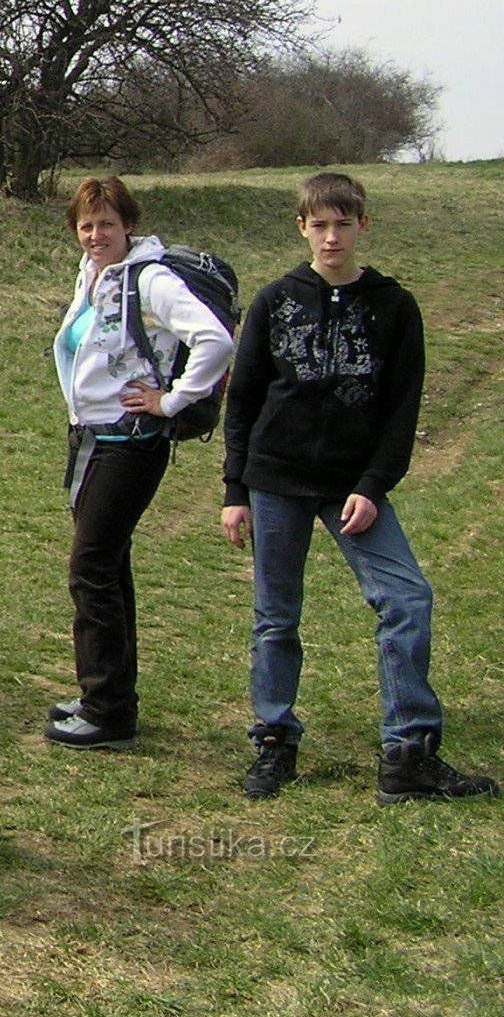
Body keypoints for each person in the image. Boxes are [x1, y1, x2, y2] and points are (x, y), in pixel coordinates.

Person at [221, 172, 497, 803]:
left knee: (405, 599)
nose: (331, 236)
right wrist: (235, 491)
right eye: (319, 225)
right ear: (302, 229)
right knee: (275, 617)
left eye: (343, 224)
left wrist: (374, 485)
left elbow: (402, 408)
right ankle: (273, 738)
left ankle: (408, 752)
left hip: (353, 487)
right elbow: (243, 401)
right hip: (275, 480)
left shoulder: (394, 307)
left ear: (362, 226)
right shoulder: (274, 300)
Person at [46, 176, 234, 749]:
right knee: (108, 567)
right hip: (94, 440)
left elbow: (216, 340)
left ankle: (108, 715)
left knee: (91, 568)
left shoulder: (149, 280)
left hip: (130, 443)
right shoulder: (93, 276)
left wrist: (171, 400)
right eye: (86, 225)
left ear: (129, 225)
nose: (96, 234)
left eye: (107, 224)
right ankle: (107, 697)